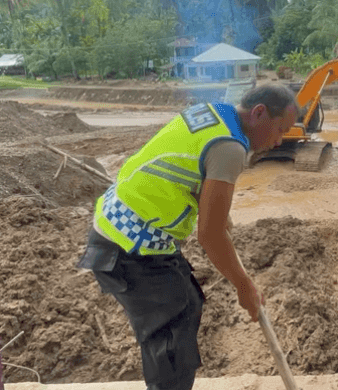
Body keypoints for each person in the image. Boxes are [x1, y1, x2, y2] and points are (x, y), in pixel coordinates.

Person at [76, 84, 298, 390]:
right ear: (259, 113)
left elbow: (187, 169)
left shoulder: (213, 113)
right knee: (172, 341)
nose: (279, 141)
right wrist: (244, 286)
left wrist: (215, 209)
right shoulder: (230, 148)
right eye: (280, 129)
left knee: (187, 304)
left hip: (120, 223)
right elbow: (210, 236)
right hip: (128, 245)